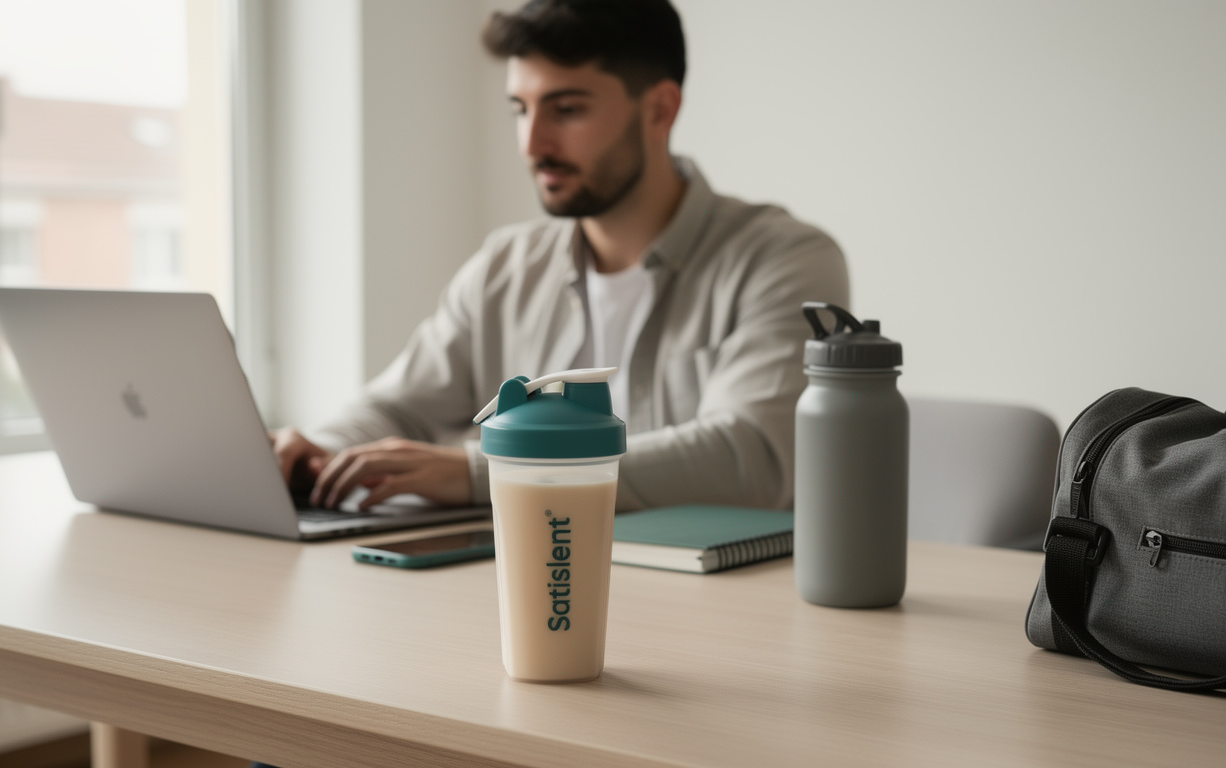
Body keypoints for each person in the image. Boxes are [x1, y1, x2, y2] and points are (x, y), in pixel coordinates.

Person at [271, 0, 849, 515]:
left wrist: (485, 472)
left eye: (566, 109)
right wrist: (323, 449)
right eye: (520, 109)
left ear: (659, 110)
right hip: (528, 582)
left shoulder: (785, 260)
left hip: (713, 594)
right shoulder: (505, 267)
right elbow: (399, 407)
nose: (532, 144)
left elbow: (752, 456)